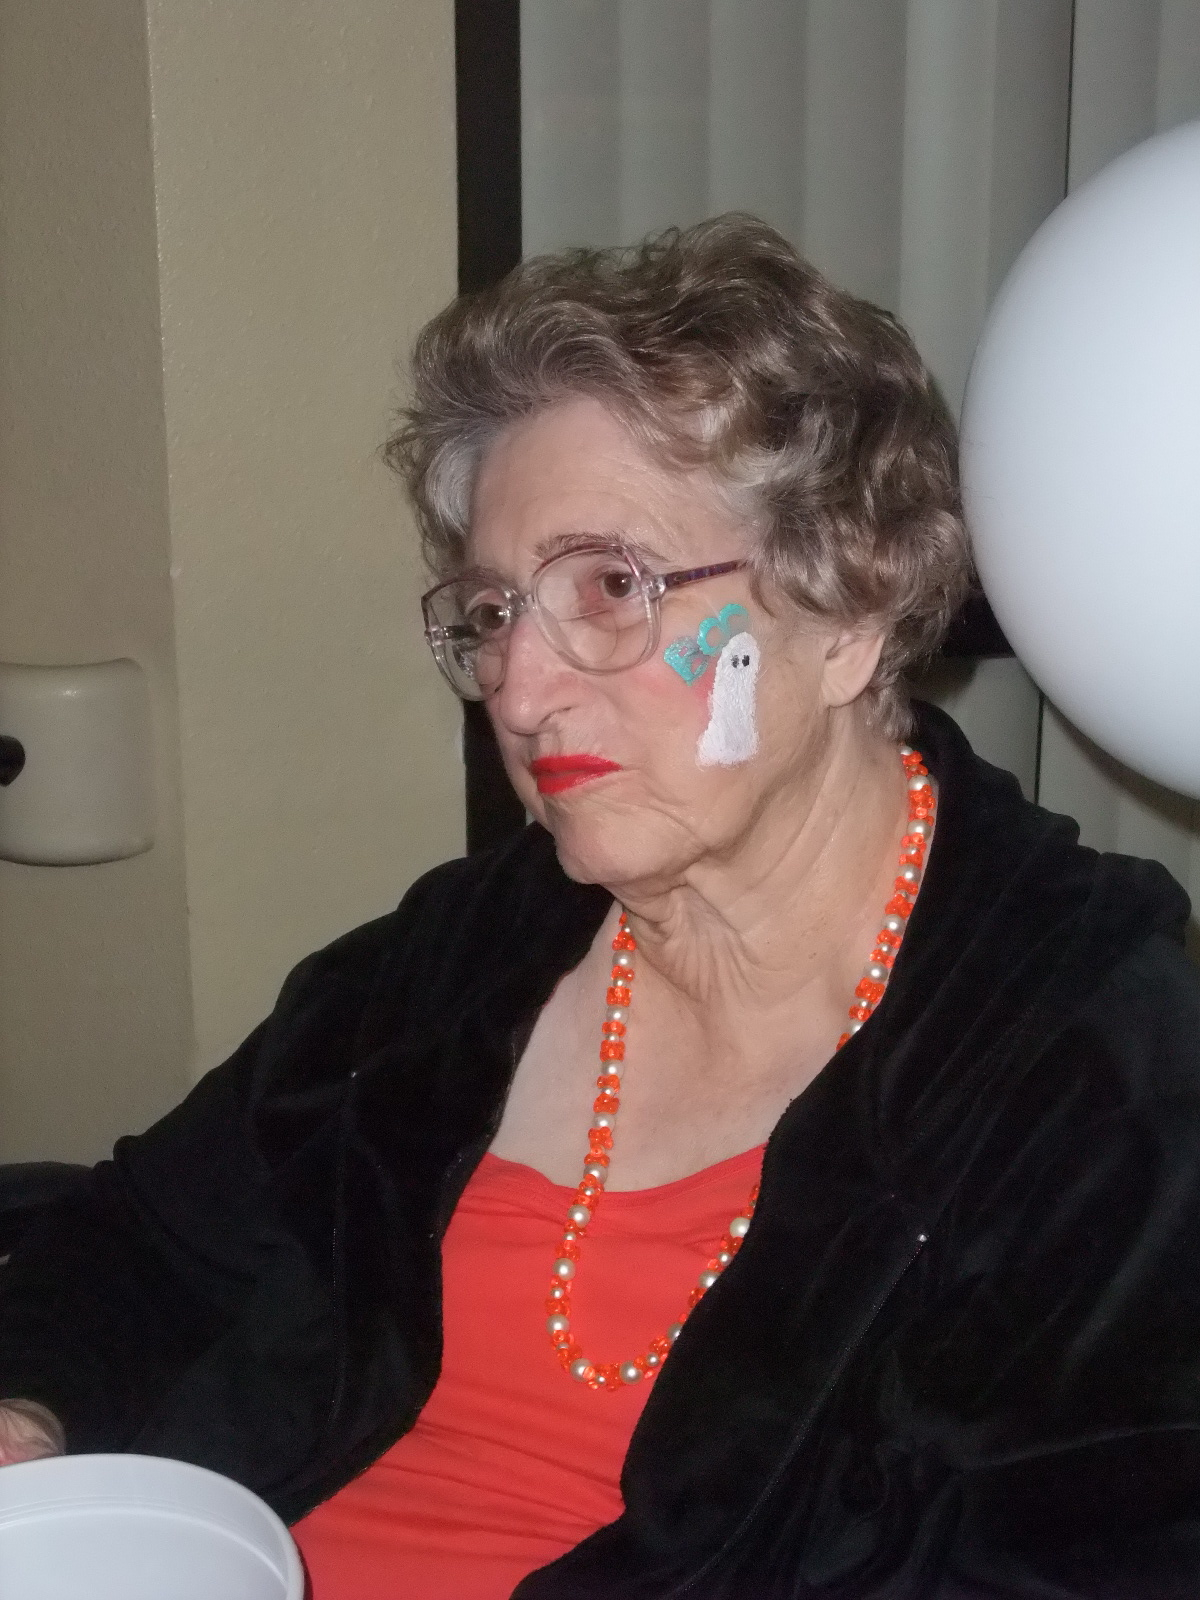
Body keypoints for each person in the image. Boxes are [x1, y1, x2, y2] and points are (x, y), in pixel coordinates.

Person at [2, 215, 1200, 1599]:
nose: (519, 690)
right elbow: (143, 1247)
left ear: (852, 607)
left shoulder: (1078, 1067)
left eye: (611, 588)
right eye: (494, 611)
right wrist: (28, 1412)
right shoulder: (463, 955)